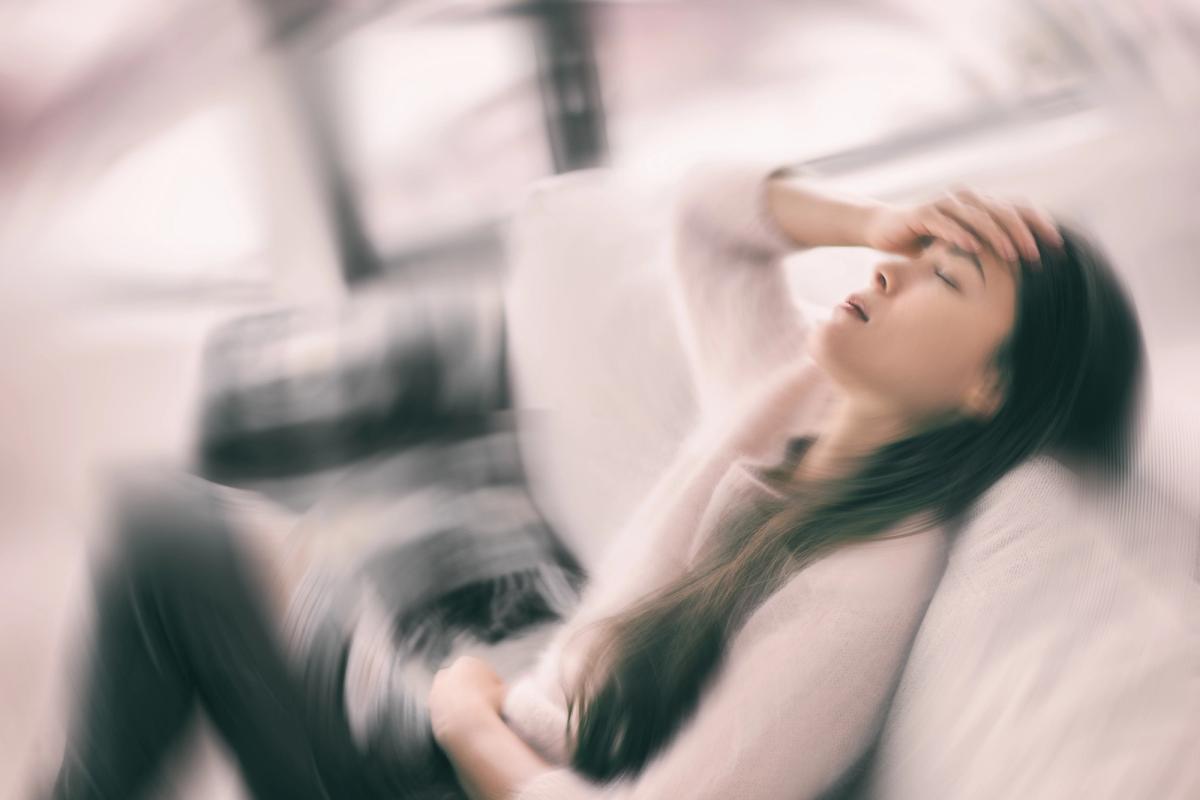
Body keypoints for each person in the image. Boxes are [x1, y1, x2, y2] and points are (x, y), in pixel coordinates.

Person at [46, 158, 1144, 799]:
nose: (890, 270)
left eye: (941, 274)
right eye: (909, 249)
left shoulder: (857, 590)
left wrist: (472, 725)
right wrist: (866, 214)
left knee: (161, 531)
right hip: (503, 694)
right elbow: (709, 224)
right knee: (231, 528)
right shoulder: (798, 397)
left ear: (985, 390)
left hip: (472, 763)